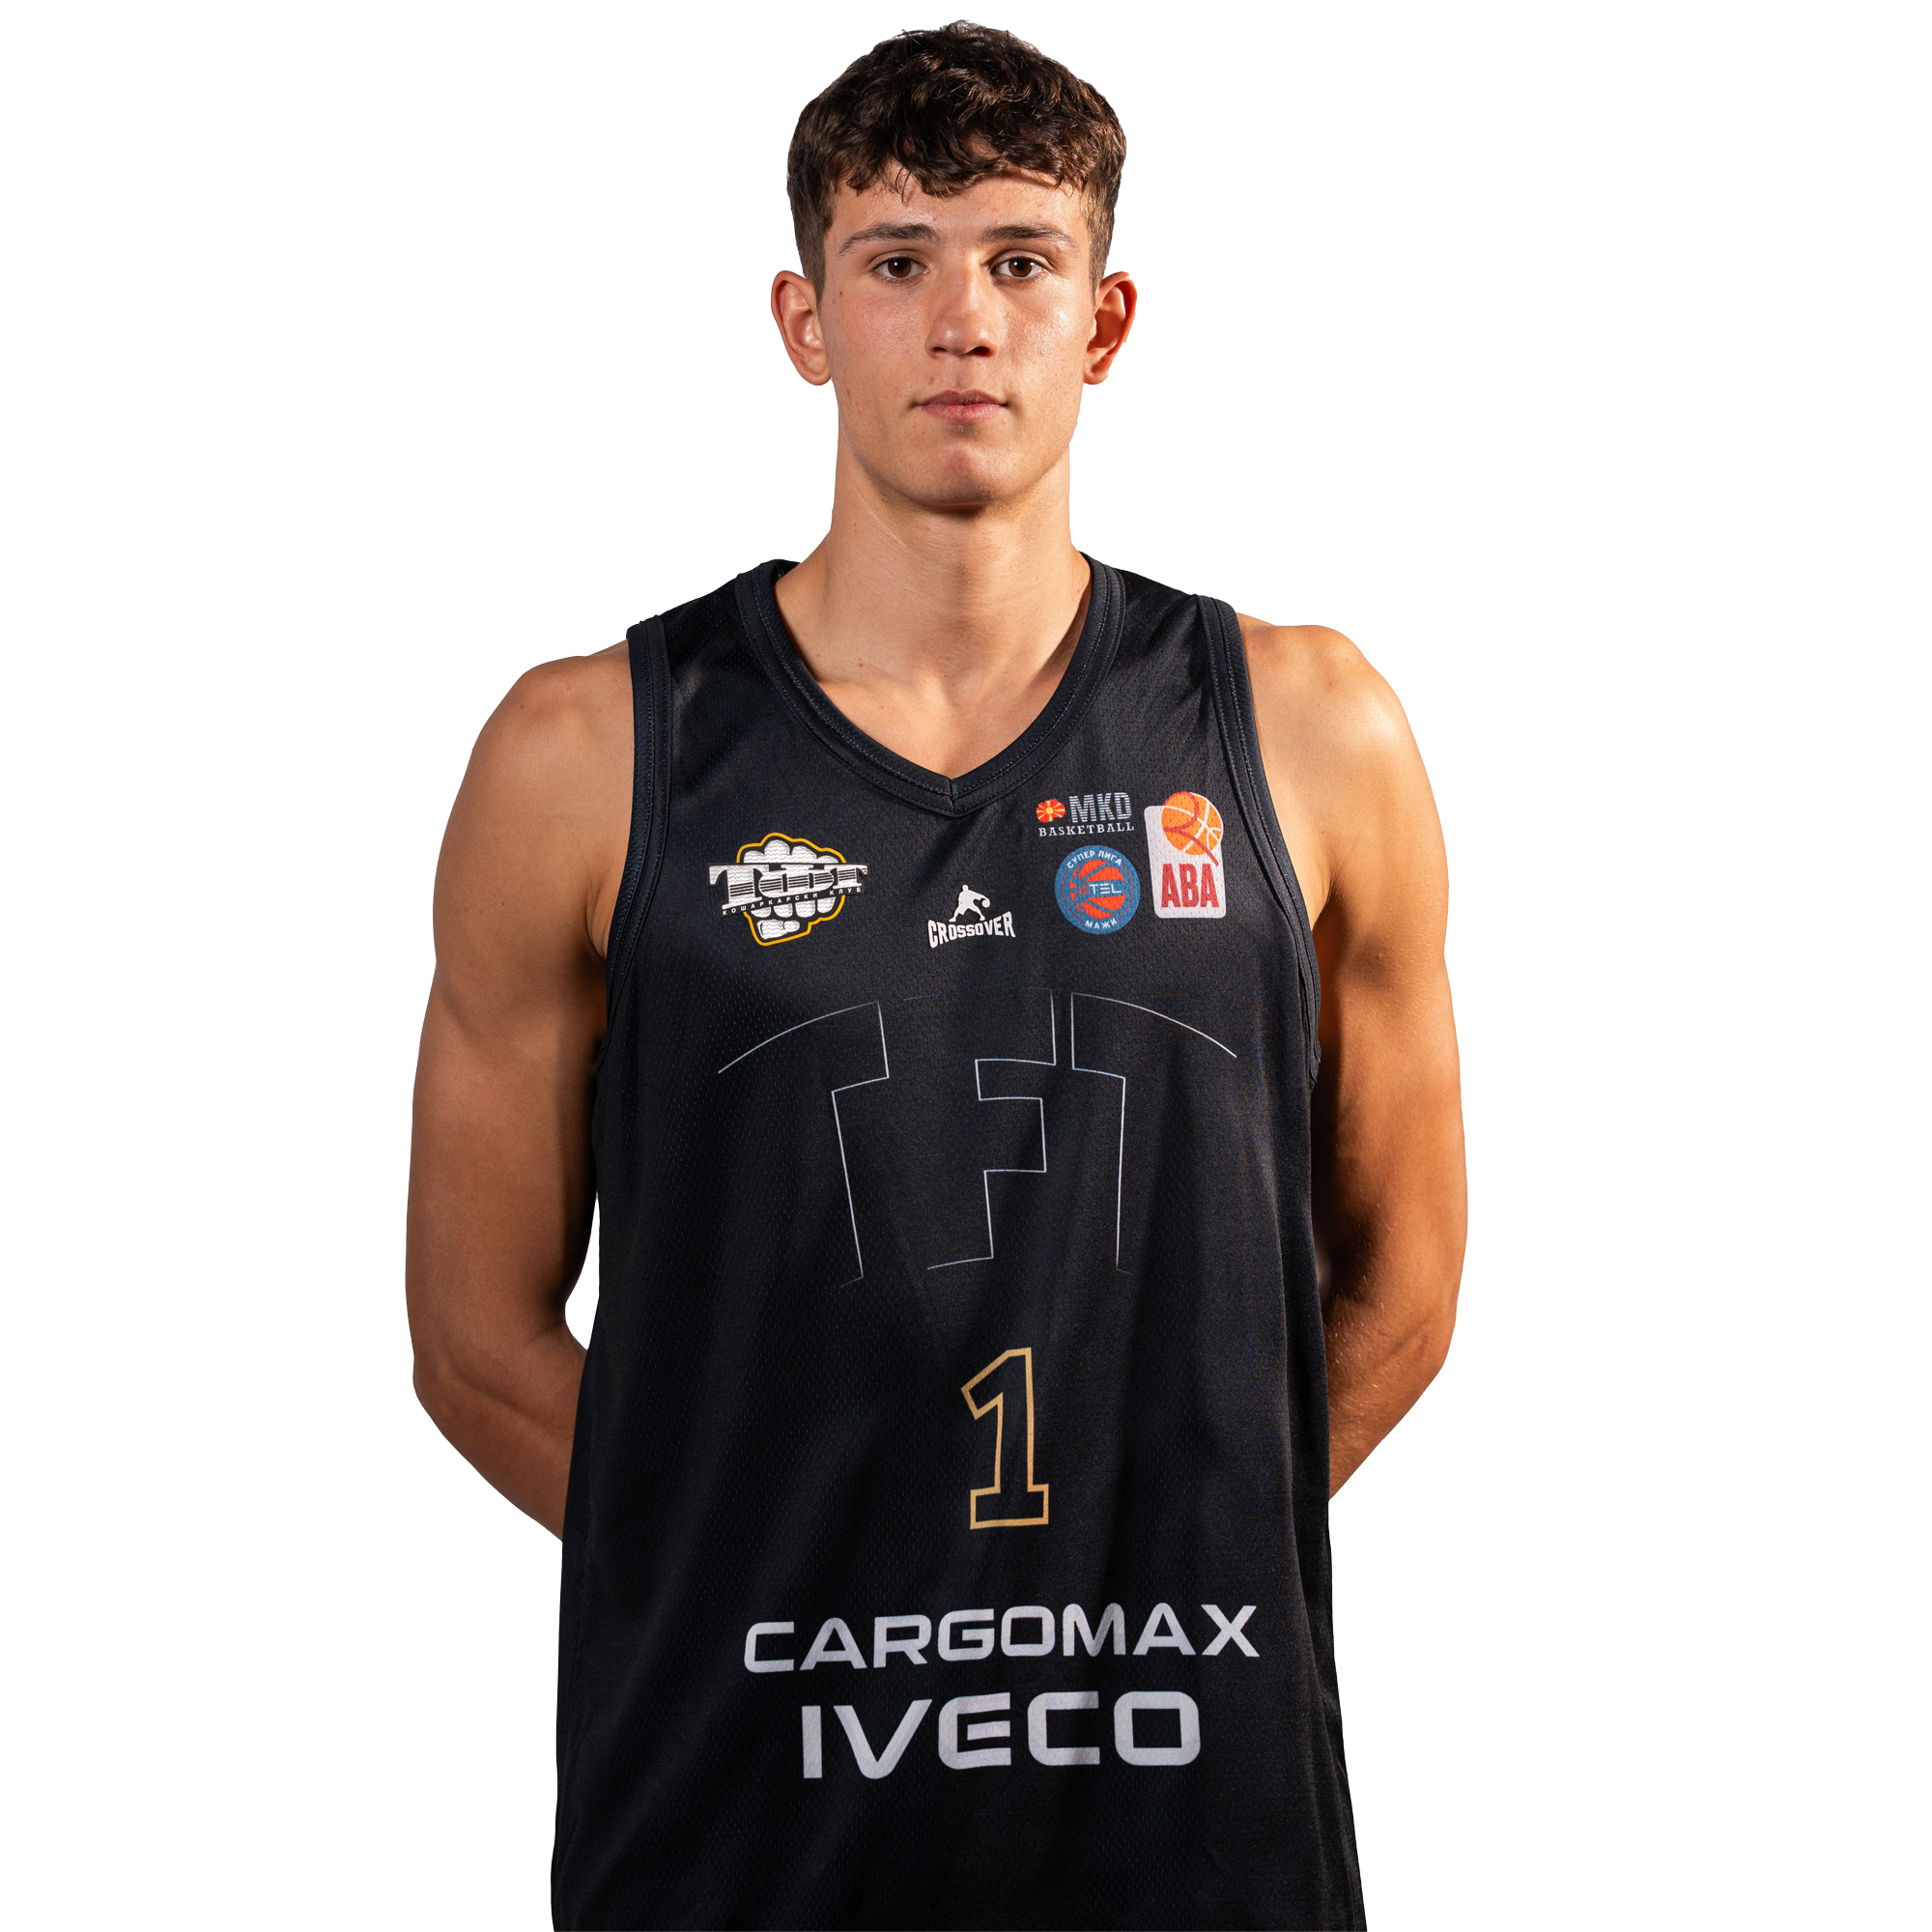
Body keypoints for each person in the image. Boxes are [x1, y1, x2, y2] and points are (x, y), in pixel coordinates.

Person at [406, 19, 1465, 1929]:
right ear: (805, 321)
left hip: (1191, 1829)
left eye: (1018, 259)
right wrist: (786, 1584)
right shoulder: (587, 754)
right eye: (895, 261)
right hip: (736, 1829)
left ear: (1105, 319)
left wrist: (1140, 1563)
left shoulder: (1312, 729)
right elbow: (475, 1338)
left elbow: (1404, 1283)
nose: (961, 320)